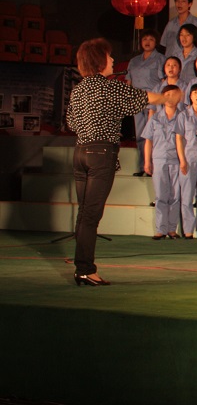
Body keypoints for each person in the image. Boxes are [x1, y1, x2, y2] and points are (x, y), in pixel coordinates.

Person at [66, 38, 182, 285]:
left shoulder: (78, 89)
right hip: (101, 154)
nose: (112, 60)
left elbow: (71, 123)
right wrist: (168, 99)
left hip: (80, 152)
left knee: (84, 212)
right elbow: (143, 97)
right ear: (99, 61)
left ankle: (81, 263)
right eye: (108, 56)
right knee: (91, 215)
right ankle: (85, 269)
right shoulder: (110, 87)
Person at [142, 84, 183, 239]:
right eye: (167, 95)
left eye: (174, 95)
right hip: (159, 159)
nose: (170, 98)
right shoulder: (155, 118)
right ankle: (161, 229)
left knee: (175, 195)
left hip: (177, 160)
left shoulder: (183, 117)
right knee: (160, 195)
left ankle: (172, 229)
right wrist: (147, 161)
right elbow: (148, 141)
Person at [176, 82, 197, 240]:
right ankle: (188, 230)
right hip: (189, 159)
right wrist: (182, 160)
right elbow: (179, 139)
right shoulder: (183, 115)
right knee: (187, 196)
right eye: (195, 92)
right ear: (190, 96)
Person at [127, 32, 164, 177]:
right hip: (137, 99)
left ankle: (152, 166)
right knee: (140, 134)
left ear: (156, 42)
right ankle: (142, 166)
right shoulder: (134, 61)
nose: (147, 42)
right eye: (145, 39)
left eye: (151, 39)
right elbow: (129, 81)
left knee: (152, 133)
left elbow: (163, 81)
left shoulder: (160, 58)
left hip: (153, 99)